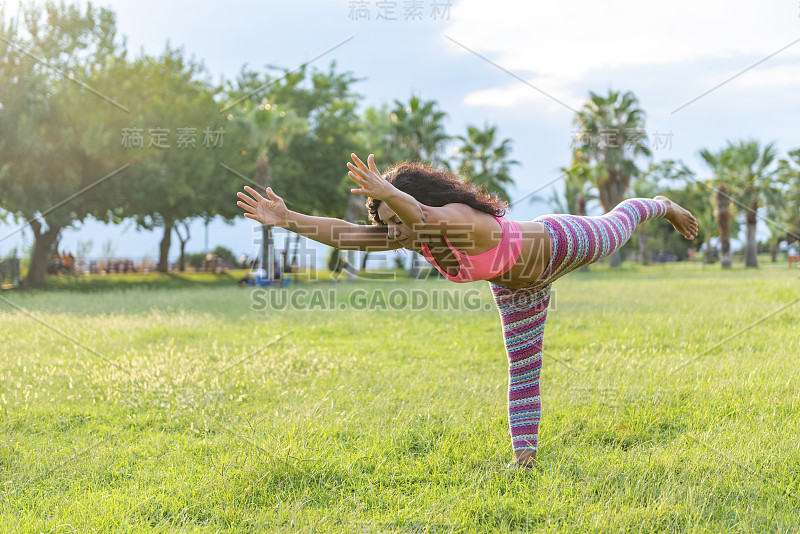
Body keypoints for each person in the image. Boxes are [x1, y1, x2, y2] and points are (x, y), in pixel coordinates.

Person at [236, 153, 699, 469]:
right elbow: (346, 233)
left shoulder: (454, 218)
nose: (393, 234)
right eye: (385, 224)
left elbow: (423, 217)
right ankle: (525, 464)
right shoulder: (408, 232)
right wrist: (288, 219)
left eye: (395, 219)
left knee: (617, 224)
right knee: (523, 370)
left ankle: (661, 203)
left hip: (560, 244)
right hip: (518, 290)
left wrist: (389, 192)